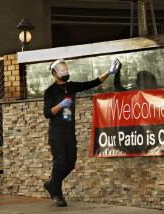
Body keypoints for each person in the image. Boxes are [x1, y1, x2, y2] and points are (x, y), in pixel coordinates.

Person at [43, 58, 121, 207]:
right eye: (61, 71)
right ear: (54, 73)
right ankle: (57, 194)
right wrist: (61, 105)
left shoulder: (71, 86)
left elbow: (93, 82)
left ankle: (52, 184)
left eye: (66, 70)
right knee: (60, 162)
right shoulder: (50, 92)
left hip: (69, 131)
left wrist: (109, 73)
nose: (65, 73)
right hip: (57, 133)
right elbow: (47, 113)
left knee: (71, 163)